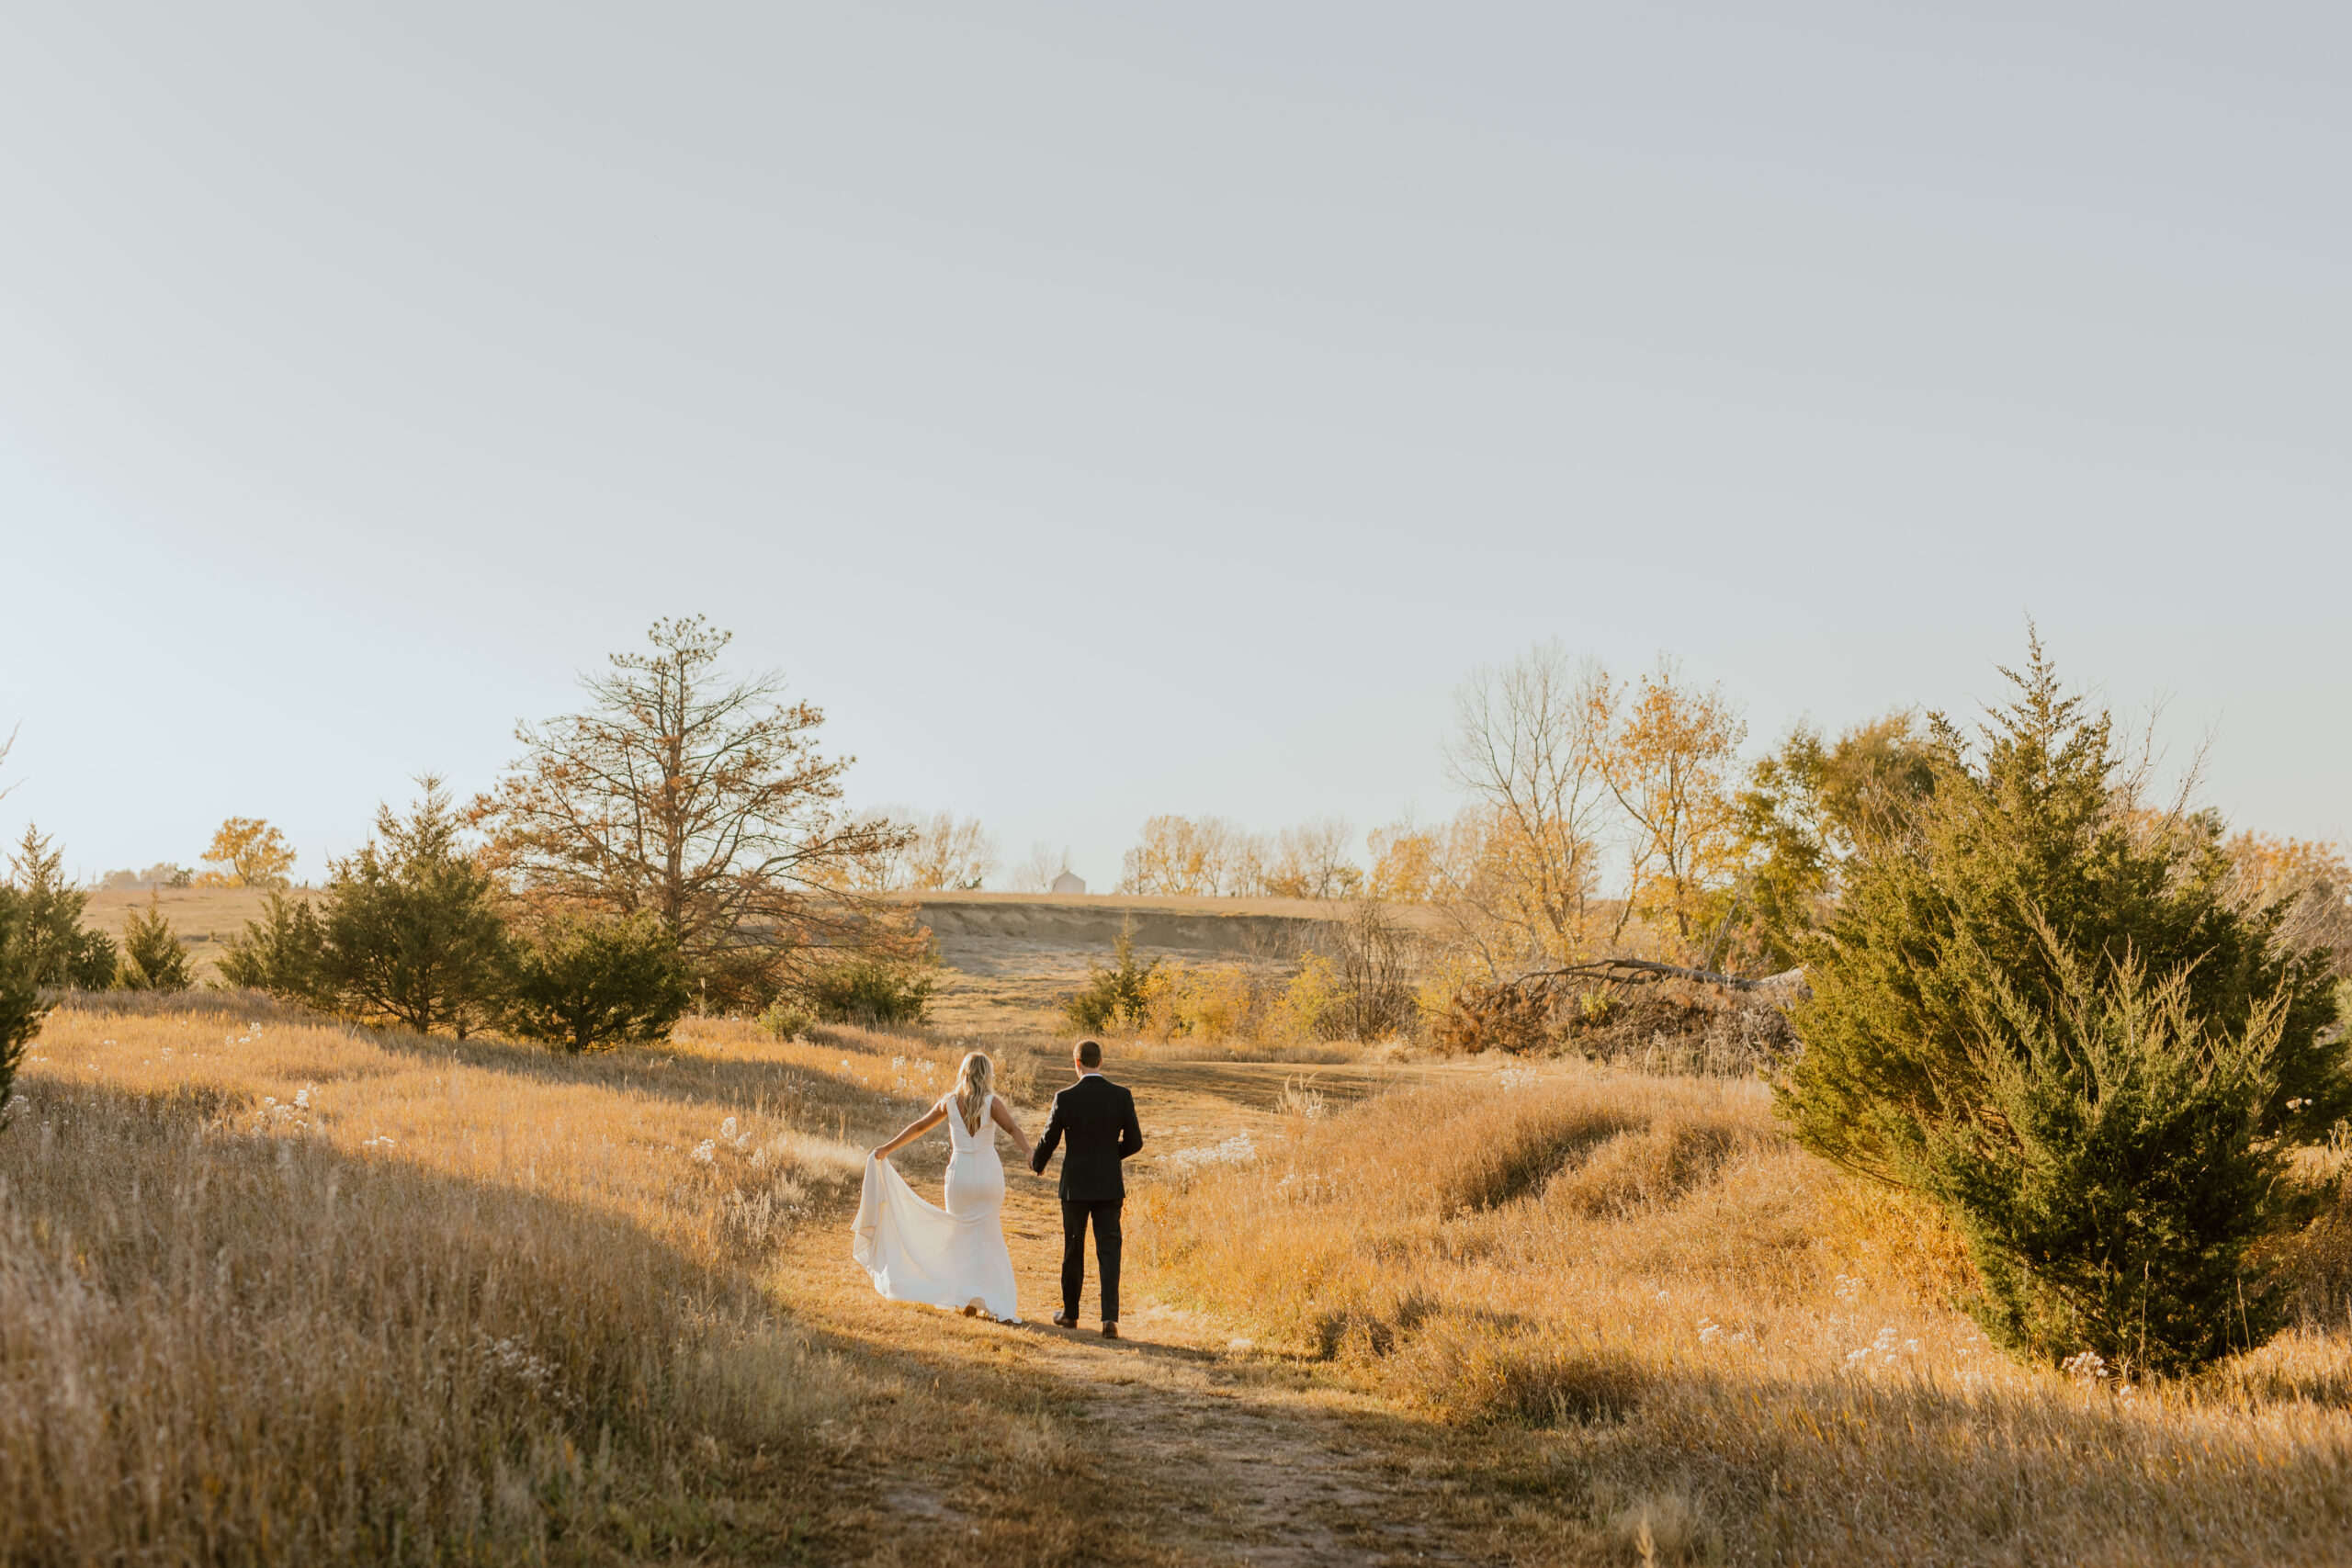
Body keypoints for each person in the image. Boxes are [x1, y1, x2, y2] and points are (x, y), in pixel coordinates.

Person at [854, 1051, 1032, 1323]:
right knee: (987, 1235)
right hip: (987, 1175)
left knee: (960, 1235)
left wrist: (886, 1149)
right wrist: (1029, 1152)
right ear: (987, 1074)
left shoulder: (949, 1102)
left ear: (964, 1073)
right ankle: (984, 1298)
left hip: (959, 1176)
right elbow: (1013, 1129)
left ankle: (967, 1296)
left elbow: (918, 1128)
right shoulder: (992, 1103)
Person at [1029, 1037, 1144, 1337]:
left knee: (1073, 1248)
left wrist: (1037, 1164)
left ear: (1076, 1063)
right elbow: (1135, 1142)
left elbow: (1049, 1139)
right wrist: (1108, 1157)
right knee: (1109, 1250)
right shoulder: (1121, 1095)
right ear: (1101, 1062)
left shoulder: (1065, 1097)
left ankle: (1070, 1314)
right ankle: (1109, 1320)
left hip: (1075, 1187)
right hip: (1108, 1185)